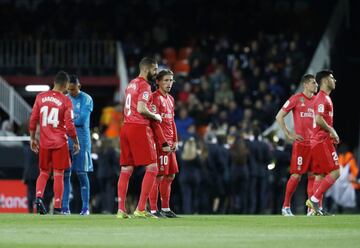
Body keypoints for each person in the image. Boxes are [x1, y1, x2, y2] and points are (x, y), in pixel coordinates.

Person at [116, 57, 165, 219]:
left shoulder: (131, 84)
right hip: (139, 127)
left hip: (126, 127)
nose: (156, 73)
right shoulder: (144, 85)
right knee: (153, 167)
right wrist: (156, 116)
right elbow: (141, 108)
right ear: (146, 69)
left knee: (126, 169)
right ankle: (141, 208)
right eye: (155, 70)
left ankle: (121, 209)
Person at [29, 71, 80, 215]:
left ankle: (38, 197)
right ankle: (57, 207)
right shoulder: (66, 100)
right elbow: (69, 125)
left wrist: (32, 138)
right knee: (59, 174)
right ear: (66, 85)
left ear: (54, 82)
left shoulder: (40, 97)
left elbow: (33, 119)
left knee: (44, 172)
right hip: (59, 143)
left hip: (44, 142)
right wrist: (76, 141)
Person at [275, 74, 318, 216]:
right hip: (301, 145)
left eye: (316, 83)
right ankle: (286, 206)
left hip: (314, 145)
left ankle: (311, 208)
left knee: (313, 175)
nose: (316, 85)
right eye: (313, 82)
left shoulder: (318, 101)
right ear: (305, 84)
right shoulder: (296, 99)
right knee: (296, 176)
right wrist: (288, 134)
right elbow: (279, 116)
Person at [306, 70, 340, 215]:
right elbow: (319, 119)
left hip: (318, 140)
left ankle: (312, 211)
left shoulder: (324, 98)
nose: (335, 80)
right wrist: (332, 131)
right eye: (332, 78)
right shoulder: (322, 98)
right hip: (321, 140)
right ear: (325, 81)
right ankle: (314, 200)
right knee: (336, 172)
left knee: (319, 175)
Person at [148, 69, 179, 218]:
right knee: (158, 176)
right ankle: (153, 209)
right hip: (159, 143)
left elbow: (172, 121)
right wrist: (163, 142)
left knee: (170, 175)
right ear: (158, 82)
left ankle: (166, 208)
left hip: (170, 143)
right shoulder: (154, 98)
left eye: (171, 80)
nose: (169, 83)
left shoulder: (171, 99)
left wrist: (175, 140)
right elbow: (155, 122)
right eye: (166, 80)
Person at [61, 75, 93, 215]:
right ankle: (65, 207)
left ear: (79, 86)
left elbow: (82, 119)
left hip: (82, 142)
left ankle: (85, 208)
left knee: (81, 173)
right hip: (65, 140)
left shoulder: (86, 99)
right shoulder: (65, 98)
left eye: (73, 89)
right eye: (69, 90)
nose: (71, 92)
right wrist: (72, 118)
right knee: (65, 174)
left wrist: (68, 119)